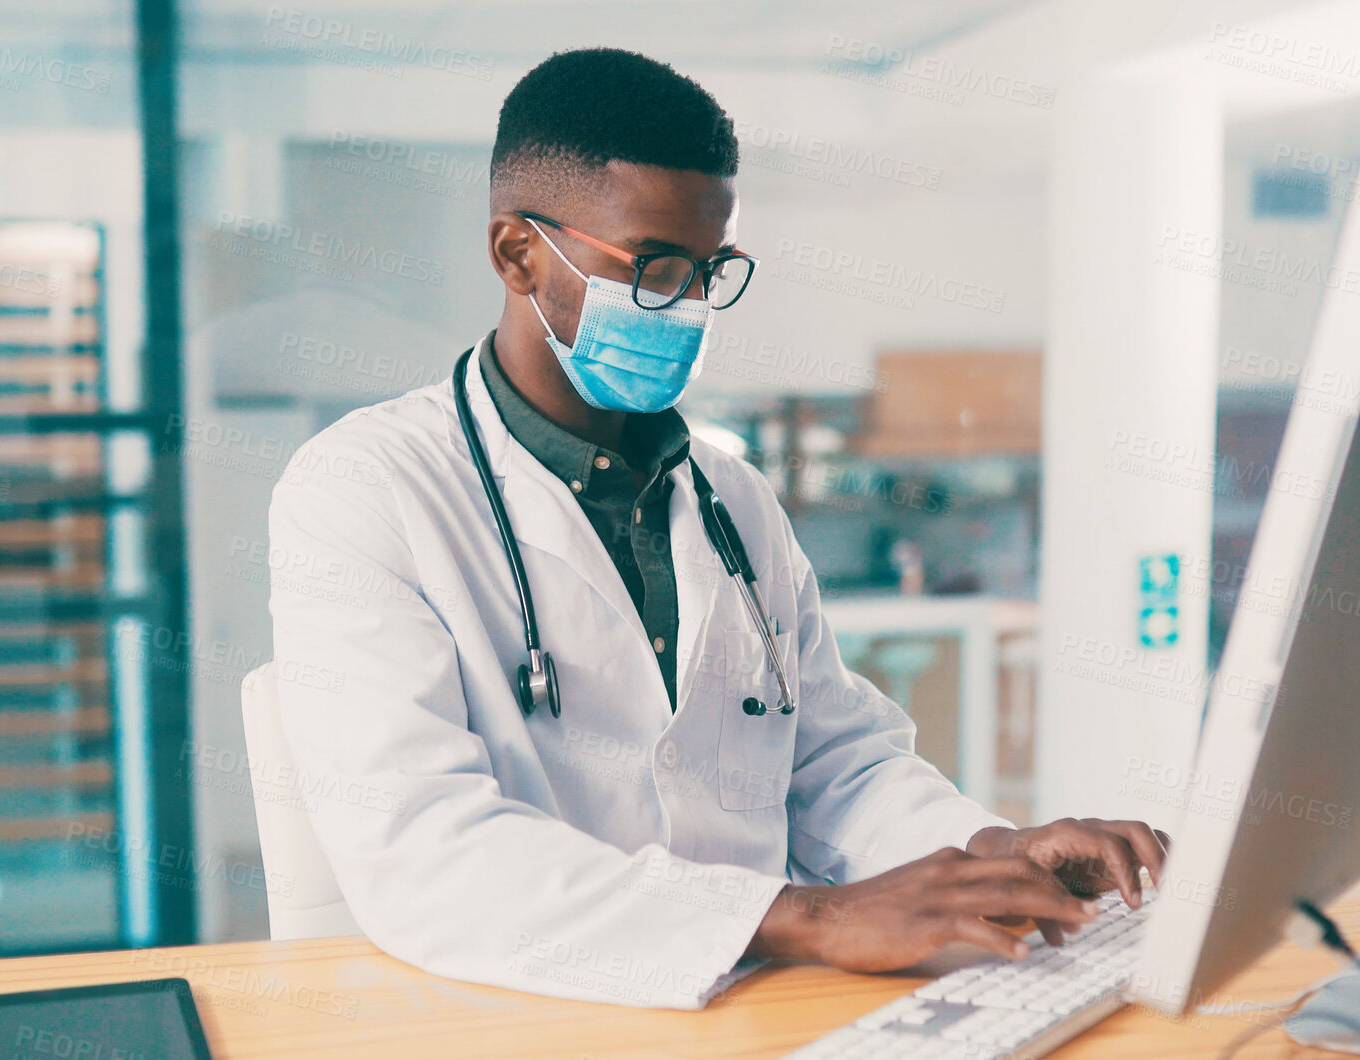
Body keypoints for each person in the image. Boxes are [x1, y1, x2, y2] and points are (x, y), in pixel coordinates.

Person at [266, 46, 1169, 1009]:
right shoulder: (365, 489)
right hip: (517, 1012)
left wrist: (995, 852)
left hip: (751, 1004)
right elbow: (420, 848)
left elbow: (832, 761)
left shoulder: (730, 499)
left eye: (711, 270)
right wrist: (806, 916)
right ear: (517, 253)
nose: (690, 306)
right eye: (654, 267)